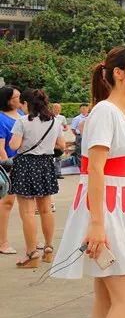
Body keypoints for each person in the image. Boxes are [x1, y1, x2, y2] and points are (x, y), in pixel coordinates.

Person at [51, 47, 125, 318]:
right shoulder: (105, 111)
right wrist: (97, 223)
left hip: (117, 207)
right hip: (104, 209)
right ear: (119, 73)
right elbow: (95, 168)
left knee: (108, 295)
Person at [8, 88, 65, 268]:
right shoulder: (54, 121)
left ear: (26, 104)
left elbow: (15, 145)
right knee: (46, 209)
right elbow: (61, 146)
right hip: (46, 165)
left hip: (25, 165)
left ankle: (32, 254)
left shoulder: (22, 121)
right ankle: (48, 249)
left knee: (27, 212)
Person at [0, 85, 22, 255]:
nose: (19, 100)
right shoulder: (1, 118)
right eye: (15, 97)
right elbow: (1, 148)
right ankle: (3, 242)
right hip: (9, 166)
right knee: (7, 203)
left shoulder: (22, 115)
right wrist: (7, 166)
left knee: (26, 203)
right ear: (7, 100)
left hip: (22, 164)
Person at [52, 103, 67, 179]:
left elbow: (66, 127)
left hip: (59, 139)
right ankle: (51, 173)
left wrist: (61, 129)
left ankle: (58, 173)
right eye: (55, 108)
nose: (57, 110)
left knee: (59, 157)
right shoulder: (49, 116)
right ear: (52, 108)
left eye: (58, 108)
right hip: (51, 139)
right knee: (50, 157)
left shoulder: (62, 117)